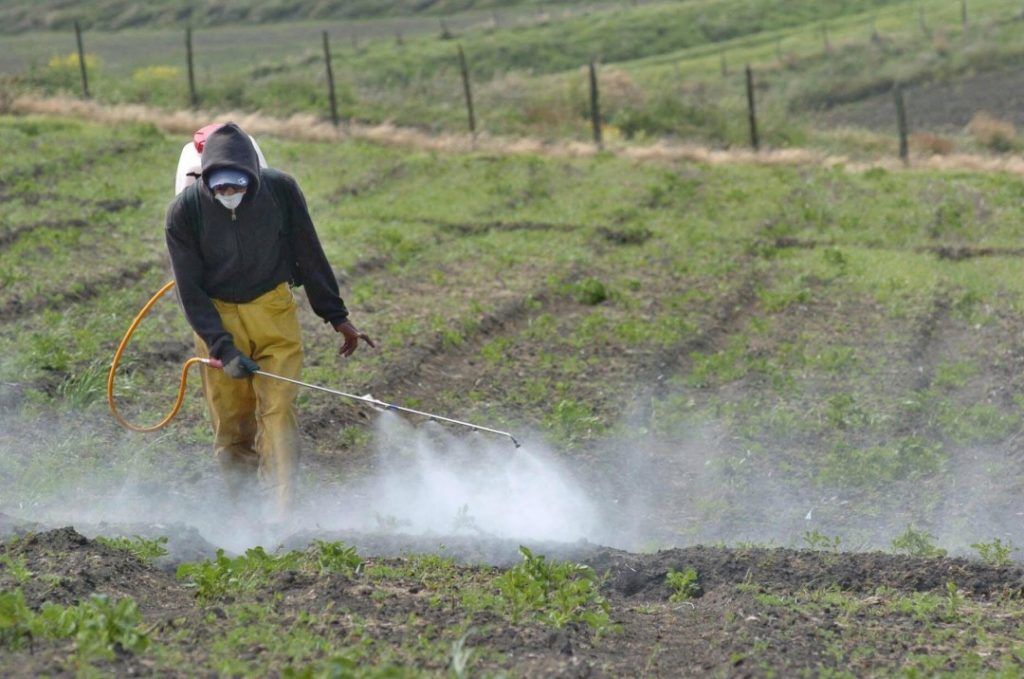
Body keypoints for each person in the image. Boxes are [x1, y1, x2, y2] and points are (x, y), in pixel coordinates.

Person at [164, 122, 374, 517]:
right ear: (206, 181)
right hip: (217, 316)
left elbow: (309, 253)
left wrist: (336, 316)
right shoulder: (184, 212)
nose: (230, 195)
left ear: (253, 177)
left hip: (273, 310)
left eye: (237, 187)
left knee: (278, 411)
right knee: (231, 421)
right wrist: (223, 349)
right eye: (221, 188)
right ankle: (244, 514)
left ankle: (282, 515)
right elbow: (189, 291)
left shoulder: (281, 191)